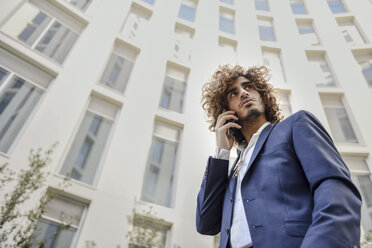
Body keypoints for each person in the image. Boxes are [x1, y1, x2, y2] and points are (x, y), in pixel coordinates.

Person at [196, 64, 362, 248]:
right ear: (226, 111)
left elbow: (335, 188)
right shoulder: (233, 169)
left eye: (248, 86)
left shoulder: (295, 125)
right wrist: (221, 153)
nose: (243, 93)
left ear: (262, 95)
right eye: (233, 93)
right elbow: (206, 223)